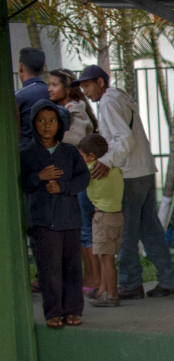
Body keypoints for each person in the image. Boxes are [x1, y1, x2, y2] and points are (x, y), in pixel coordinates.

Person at [74, 65, 174, 299]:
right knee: (150, 230)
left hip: (130, 175)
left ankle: (130, 283)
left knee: (124, 234)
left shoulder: (109, 102)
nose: (85, 91)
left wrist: (107, 160)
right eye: (82, 87)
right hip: (143, 171)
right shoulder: (121, 97)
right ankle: (169, 279)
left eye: (88, 85)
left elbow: (124, 139)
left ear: (101, 82)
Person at [21, 100, 91, 328]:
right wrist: (38, 177)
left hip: (70, 221)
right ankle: (53, 312)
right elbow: (21, 183)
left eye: (52, 120)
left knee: (72, 268)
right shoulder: (27, 154)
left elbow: (84, 178)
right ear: (33, 123)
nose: (47, 125)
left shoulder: (69, 152)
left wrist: (63, 187)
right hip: (43, 223)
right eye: (41, 120)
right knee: (49, 270)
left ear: (60, 125)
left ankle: (72, 311)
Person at [48, 68, 101, 296]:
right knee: (84, 230)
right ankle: (92, 277)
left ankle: (94, 278)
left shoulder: (74, 109)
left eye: (54, 84)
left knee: (87, 231)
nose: (50, 88)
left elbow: (75, 137)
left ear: (67, 88)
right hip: (77, 177)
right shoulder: (69, 109)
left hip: (81, 178)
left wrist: (51, 137)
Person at [78, 134, 124, 308]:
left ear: (91, 156)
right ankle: (104, 291)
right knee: (107, 256)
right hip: (117, 216)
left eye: (81, 156)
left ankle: (111, 295)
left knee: (106, 259)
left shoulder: (91, 170)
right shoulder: (115, 168)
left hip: (102, 217)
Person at [16, 48, 51, 145]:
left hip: (24, 154)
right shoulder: (52, 94)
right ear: (43, 70)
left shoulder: (18, 96)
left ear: (21, 67)